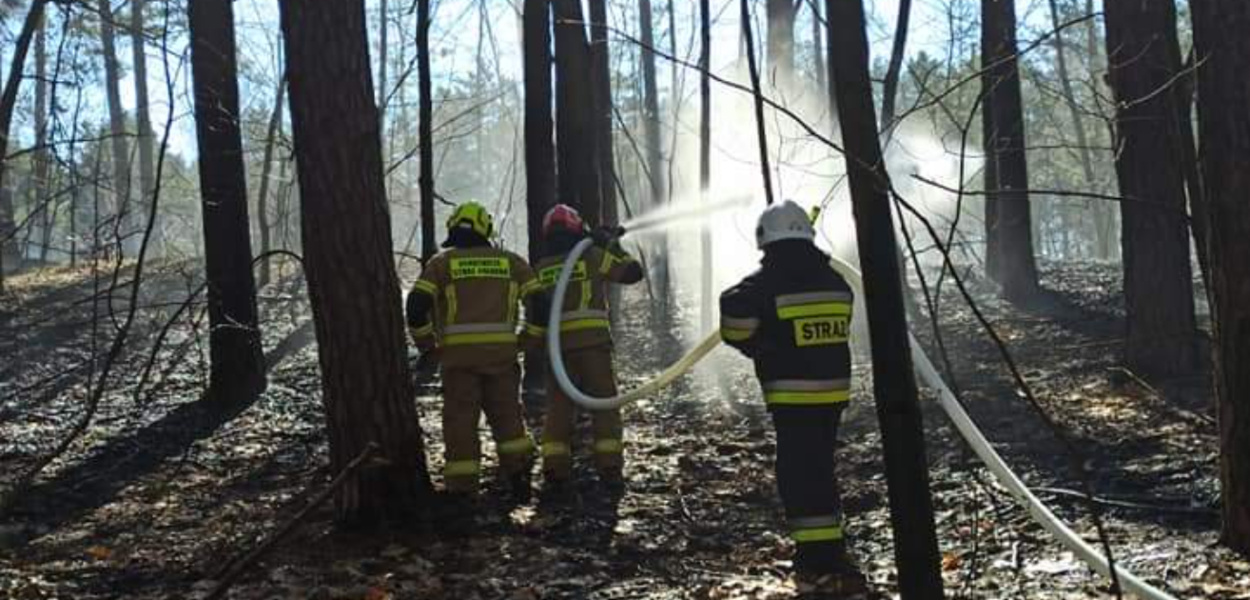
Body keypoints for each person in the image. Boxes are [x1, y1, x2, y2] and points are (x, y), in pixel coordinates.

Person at [718, 199, 866, 593]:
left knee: (799, 471)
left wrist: (759, 344)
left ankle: (816, 556)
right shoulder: (835, 280)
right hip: (833, 392)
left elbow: (734, 321)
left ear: (766, 240)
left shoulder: (766, 283)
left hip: (791, 393)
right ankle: (831, 544)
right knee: (820, 466)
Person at [407, 201, 543, 504]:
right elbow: (541, 303)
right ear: (486, 230)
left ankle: (462, 489)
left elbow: (415, 307)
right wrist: (528, 339)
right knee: (508, 418)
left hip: (458, 361)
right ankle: (519, 477)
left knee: (460, 422)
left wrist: (427, 346)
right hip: (502, 357)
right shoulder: (512, 262)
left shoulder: (442, 264)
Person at [531, 204, 643, 495]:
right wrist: (612, 245)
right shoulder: (591, 256)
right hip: (592, 345)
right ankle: (609, 468)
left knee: (558, 410)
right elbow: (632, 273)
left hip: (557, 350)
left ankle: (555, 470)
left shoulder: (541, 268)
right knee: (604, 406)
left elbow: (536, 311)